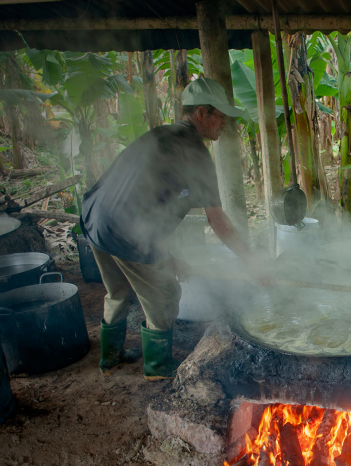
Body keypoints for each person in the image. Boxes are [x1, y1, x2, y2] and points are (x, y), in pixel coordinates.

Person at [80, 77, 271, 380]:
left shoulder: (159, 135)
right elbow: (217, 220)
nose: (225, 122)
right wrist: (252, 263)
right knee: (166, 293)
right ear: (201, 114)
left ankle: (110, 359)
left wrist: (167, 257)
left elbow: (143, 205)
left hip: (96, 220)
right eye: (221, 115)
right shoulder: (194, 153)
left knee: (118, 291)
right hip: (125, 231)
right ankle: (157, 367)